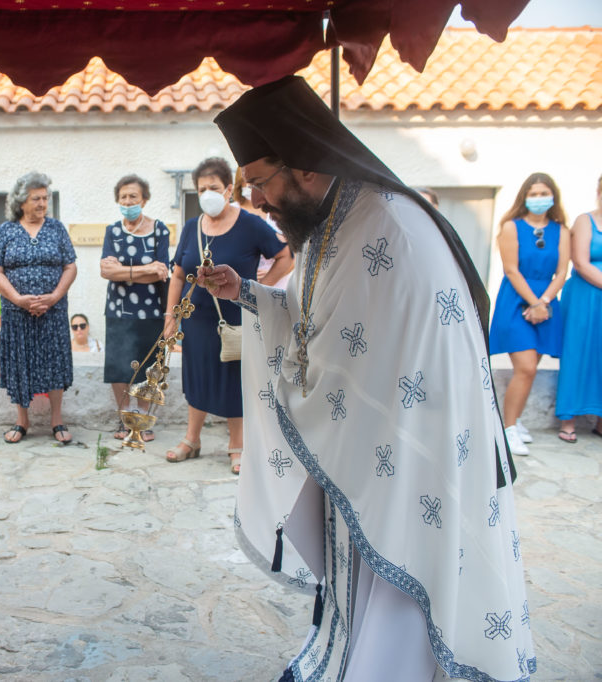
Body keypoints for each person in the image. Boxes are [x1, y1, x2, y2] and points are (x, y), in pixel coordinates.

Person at [201, 76, 534, 681]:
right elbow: (311, 320)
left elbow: (351, 359)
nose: (259, 204)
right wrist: (246, 292)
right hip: (378, 441)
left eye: (259, 186)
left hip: (414, 450)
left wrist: (295, 393)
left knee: (402, 579)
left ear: (299, 165)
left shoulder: (384, 224)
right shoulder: (335, 219)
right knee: (369, 579)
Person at [164, 157, 292, 474]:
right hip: (196, 318)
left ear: (228, 189)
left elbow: (285, 256)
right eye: (201, 188)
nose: (207, 193)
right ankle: (192, 440)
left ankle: (238, 445)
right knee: (197, 376)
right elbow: (178, 274)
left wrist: (260, 288)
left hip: (237, 316)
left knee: (235, 380)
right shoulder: (193, 227)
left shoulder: (249, 223)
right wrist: (170, 318)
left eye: (214, 187)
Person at [0, 171, 77, 445]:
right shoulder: (7, 230)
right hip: (17, 313)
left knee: (54, 362)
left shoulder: (56, 229)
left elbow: (70, 266)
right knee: (20, 363)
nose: (42, 203)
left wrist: (53, 297)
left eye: (45, 198)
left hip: (53, 310)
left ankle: (57, 420)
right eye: (35, 198)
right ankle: (22, 421)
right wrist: (18, 299)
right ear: (21, 202)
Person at [488, 173, 569, 451]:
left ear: (553, 196)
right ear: (524, 197)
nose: (538, 198)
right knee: (526, 366)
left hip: (546, 305)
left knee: (530, 371)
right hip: (517, 302)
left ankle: (516, 420)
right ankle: (507, 429)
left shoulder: (561, 230)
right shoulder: (511, 227)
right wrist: (534, 303)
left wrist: (544, 302)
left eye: (543, 193)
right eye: (533, 194)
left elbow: (562, 272)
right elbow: (511, 270)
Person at [99, 174, 169, 442]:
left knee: (148, 366)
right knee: (119, 368)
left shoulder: (159, 229)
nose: (128, 201)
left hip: (151, 311)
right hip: (118, 310)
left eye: (133, 197)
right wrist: (144, 269)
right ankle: (125, 418)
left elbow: (161, 272)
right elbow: (106, 272)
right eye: (123, 197)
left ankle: (142, 419)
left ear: (145, 199)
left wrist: (124, 271)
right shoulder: (112, 231)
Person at [556, 174, 602, 441]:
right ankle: (568, 420)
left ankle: (599, 420)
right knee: (578, 353)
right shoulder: (586, 221)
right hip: (587, 297)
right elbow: (582, 263)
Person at [235, 166, 292, 288]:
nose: (252, 189)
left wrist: (271, 276)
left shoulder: (277, 212)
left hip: (278, 285)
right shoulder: (232, 212)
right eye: (248, 184)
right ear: (240, 183)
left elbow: (293, 256)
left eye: (257, 183)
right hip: (239, 286)